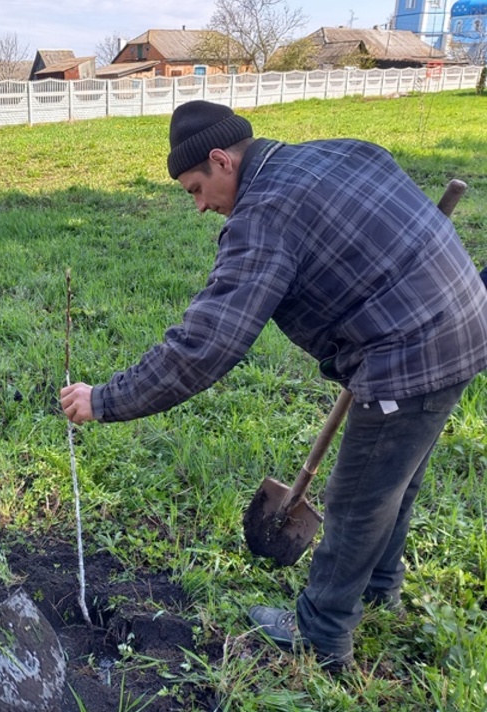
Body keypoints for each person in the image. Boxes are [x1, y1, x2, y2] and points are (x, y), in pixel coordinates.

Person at [60, 100, 487, 670]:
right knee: (395, 478)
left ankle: (322, 633)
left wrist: (105, 400)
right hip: (464, 317)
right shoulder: (331, 153)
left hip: (410, 350)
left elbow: (206, 344)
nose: (199, 206)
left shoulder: (263, 216)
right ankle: (380, 586)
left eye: (195, 188)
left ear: (221, 160)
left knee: (358, 497)